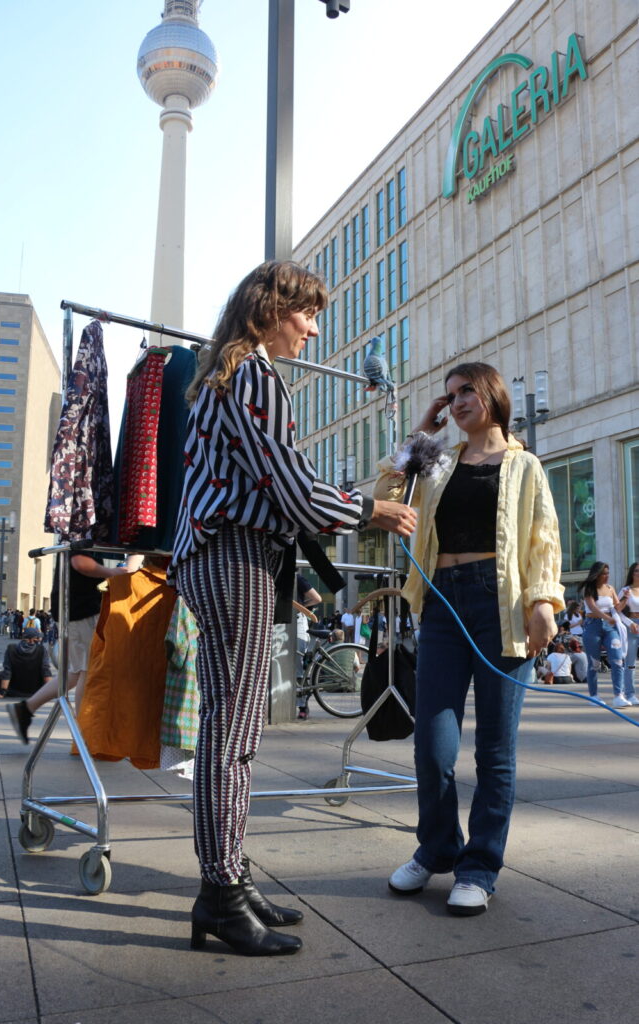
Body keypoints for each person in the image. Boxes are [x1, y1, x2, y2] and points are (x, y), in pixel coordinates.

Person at [169, 260, 416, 956]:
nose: (312, 329)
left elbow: (274, 482)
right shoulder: (252, 374)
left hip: (226, 554)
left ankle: (229, 878)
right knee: (233, 730)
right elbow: (293, 489)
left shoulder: (227, 373)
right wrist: (370, 509)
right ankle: (221, 891)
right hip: (235, 556)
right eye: (306, 313)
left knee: (233, 724)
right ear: (271, 309)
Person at [375, 361, 563, 916]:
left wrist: (543, 603)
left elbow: (543, 538)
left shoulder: (524, 465)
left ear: (492, 395)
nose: (456, 402)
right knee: (432, 745)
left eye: (466, 392)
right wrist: (421, 433)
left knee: (495, 749)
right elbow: (386, 494)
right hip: (441, 603)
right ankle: (436, 849)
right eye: (450, 395)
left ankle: (479, 866)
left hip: (500, 604)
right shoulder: (438, 462)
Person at [6, 554, 129, 744]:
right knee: (87, 671)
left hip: (72, 608)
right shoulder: (82, 536)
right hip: (81, 609)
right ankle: (83, 737)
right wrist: (112, 572)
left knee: (75, 672)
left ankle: (26, 709)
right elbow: (79, 562)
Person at [581, 562, 629, 708]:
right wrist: (607, 617)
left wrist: (625, 599)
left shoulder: (610, 588)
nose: (607, 576)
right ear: (597, 574)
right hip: (592, 625)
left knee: (617, 659)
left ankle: (618, 696)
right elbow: (593, 608)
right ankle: (594, 696)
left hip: (610, 627)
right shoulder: (589, 589)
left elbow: (617, 607)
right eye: (604, 573)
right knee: (594, 663)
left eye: (608, 573)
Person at [0, 627, 53, 699]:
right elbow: (46, 671)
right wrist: (49, 693)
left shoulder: (11, 649)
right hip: (35, 690)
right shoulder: (41, 650)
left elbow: (7, 672)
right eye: (37, 638)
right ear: (33, 639)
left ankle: (7, 692)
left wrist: (2, 693)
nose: (39, 639)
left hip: (14, 689)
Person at [295, 573, 322, 721]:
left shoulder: (296, 578)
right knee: (298, 665)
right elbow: (316, 598)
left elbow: (318, 598)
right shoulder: (297, 578)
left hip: (293, 620)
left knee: (298, 665)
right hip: (295, 619)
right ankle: (302, 706)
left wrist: (300, 606)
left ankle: (302, 705)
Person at [616, 562, 639, 706]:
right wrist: (630, 623)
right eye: (636, 570)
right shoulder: (625, 590)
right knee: (631, 663)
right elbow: (616, 610)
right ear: (632, 573)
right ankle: (630, 694)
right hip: (631, 626)